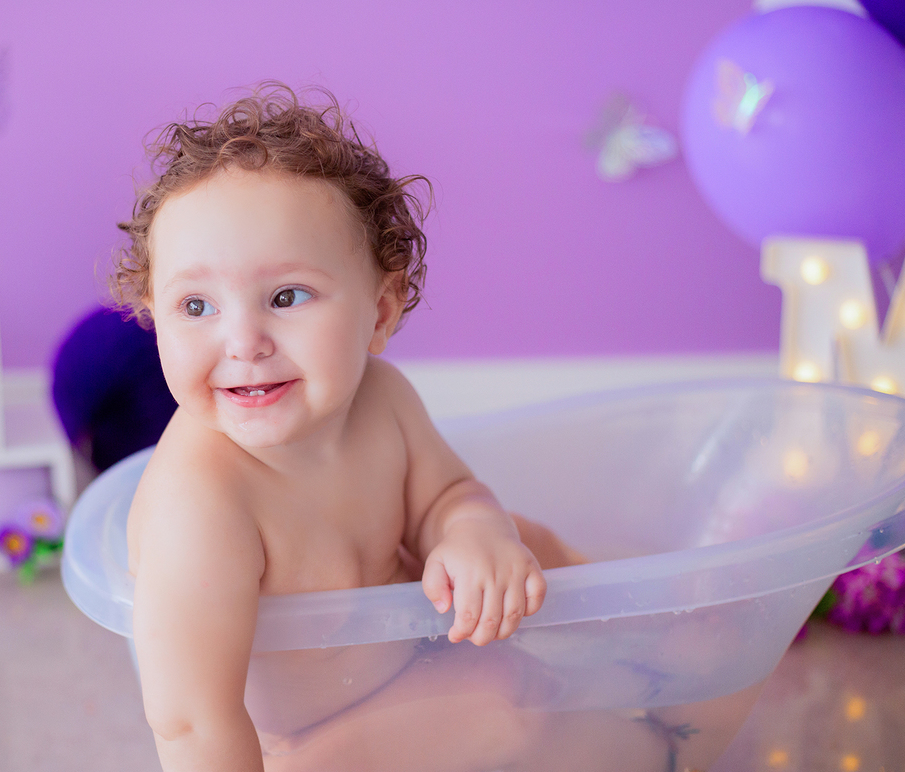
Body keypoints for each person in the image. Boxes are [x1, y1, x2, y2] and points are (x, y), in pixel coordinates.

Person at [109, 85, 597, 772]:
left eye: (286, 296)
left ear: (381, 311)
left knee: (520, 541)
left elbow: (447, 495)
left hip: (413, 653)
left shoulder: (382, 399)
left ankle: (641, 625)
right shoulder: (199, 501)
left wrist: (472, 531)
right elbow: (192, 720)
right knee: (511, 708)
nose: (243, 342)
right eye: (196, 306)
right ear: (154, 316)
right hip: (304, 742)